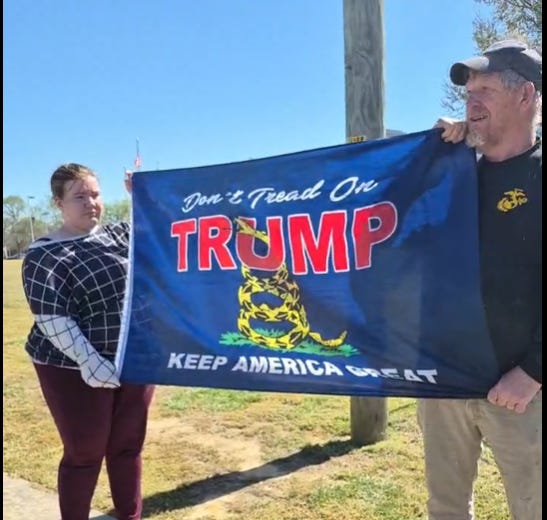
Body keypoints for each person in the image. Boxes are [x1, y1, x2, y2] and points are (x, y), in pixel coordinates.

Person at [419, 39, 542, 520]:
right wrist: (431, 153)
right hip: (446, 384)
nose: (471, 102)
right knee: (446, 509)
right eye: (468, 93)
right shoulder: (450, 173)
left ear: (525, 95)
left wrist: (533, 372)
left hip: (523, 391)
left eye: (486, 90)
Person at [21, 163, 155, 520]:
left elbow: (162, 232)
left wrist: (143, 196)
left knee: (128, 446)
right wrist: (88, 359)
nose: (91, 202)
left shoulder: (120, 235)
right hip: (68, 366)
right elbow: (52, 316)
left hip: (132, 356)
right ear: (58, 203)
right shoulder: (44, 253)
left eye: (95, 194)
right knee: (85, 452)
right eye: (79, 196)